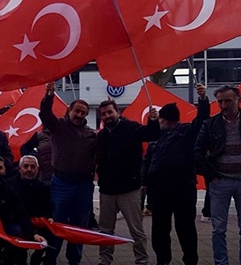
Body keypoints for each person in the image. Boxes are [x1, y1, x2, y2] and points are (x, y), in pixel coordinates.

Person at [141, 84, 208, 265]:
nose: (160, 123)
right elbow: (147, 161)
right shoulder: (157, 136)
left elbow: (201, 120)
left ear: (167, 120)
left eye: (161, 119)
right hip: (159, 190)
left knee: (185, 228)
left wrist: (203, 100)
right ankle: (163, 260)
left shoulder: (187, 132)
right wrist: (144, 182)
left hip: (182, 189)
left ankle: (190, 260)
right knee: (160, 230)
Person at [38, 82, 97, 265]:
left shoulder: (92, 134)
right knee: (57, 223)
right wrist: (49, 96)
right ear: (69, 111)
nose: (79, 115)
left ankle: (74, 260)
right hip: (61, 183)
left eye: (83, 113)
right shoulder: (58, 126)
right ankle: (51, 258)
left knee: (79, 226)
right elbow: (45, 115)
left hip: (83, 185)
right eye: (76, 111)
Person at [96, 99, 160, 265]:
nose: (107, 116)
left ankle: (142, 260)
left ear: (117, 112)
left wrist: (153, 121)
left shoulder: (131, 128)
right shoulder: (101, 136)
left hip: (129, 189)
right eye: (103, 114)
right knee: (106, 230)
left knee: (136, 230)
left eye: (110, 112)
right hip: (107, 190)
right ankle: (105, 259)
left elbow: (152, 134)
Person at [194, 84, 241, 265]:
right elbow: (197, 151)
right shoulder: (211, 124)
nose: (223, 105)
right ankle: (221, 263)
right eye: (220, 101)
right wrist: (210, 175)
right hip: (219, 181)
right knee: (218, 229)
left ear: (237, 100)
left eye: (228, 101)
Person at [9, 155, 53, 265]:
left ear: (37, 169)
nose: (29, 170)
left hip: (37, 222)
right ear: (19, 169)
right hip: (17, 222)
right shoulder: (9, 185)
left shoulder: (43, 187)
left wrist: (49, 217)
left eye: (33, 167)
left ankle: (37, 259)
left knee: (51, 235)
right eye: (26, 166)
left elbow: (48, 207)